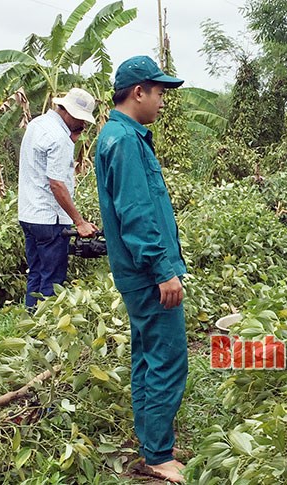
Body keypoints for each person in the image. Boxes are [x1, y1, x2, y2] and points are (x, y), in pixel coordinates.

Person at [94, 55, 188, 483]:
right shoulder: (126, 141)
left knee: (147, 358)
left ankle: (154, 443)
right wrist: (163, 270)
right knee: (167, 360)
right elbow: (135, 213)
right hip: (148, 274)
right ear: (138, 92)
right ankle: (158, 455)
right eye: (160, 93)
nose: (162, 101)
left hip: (136, 272)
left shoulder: (116, 136)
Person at [18, 87, 99, 309]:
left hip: (29, 214)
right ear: (68, 112)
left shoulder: (37, 124)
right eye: (80, 120)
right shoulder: (59, 137)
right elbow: (56, 183)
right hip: (50, 219)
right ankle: (46, 330)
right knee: (53, 281)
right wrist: (80, 222)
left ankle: (31, 323)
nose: (81, 125)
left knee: (36, 273)